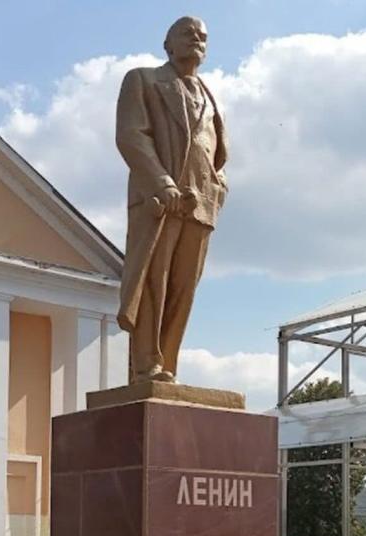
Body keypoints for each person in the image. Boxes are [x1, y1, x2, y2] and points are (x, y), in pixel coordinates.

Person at [115, 15, 228, 383]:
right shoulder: (143, 80)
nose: (196, 39)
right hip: (160, 201)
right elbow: (131, 136)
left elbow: (216, 154)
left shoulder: (210, 96)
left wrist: (218, 189)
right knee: (153, 284)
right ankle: (146, 365)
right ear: (168, 44)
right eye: (187, 33)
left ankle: (169, 367)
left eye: (203, 36)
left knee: (183, 291)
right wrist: (162, 183)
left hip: (201, 207)